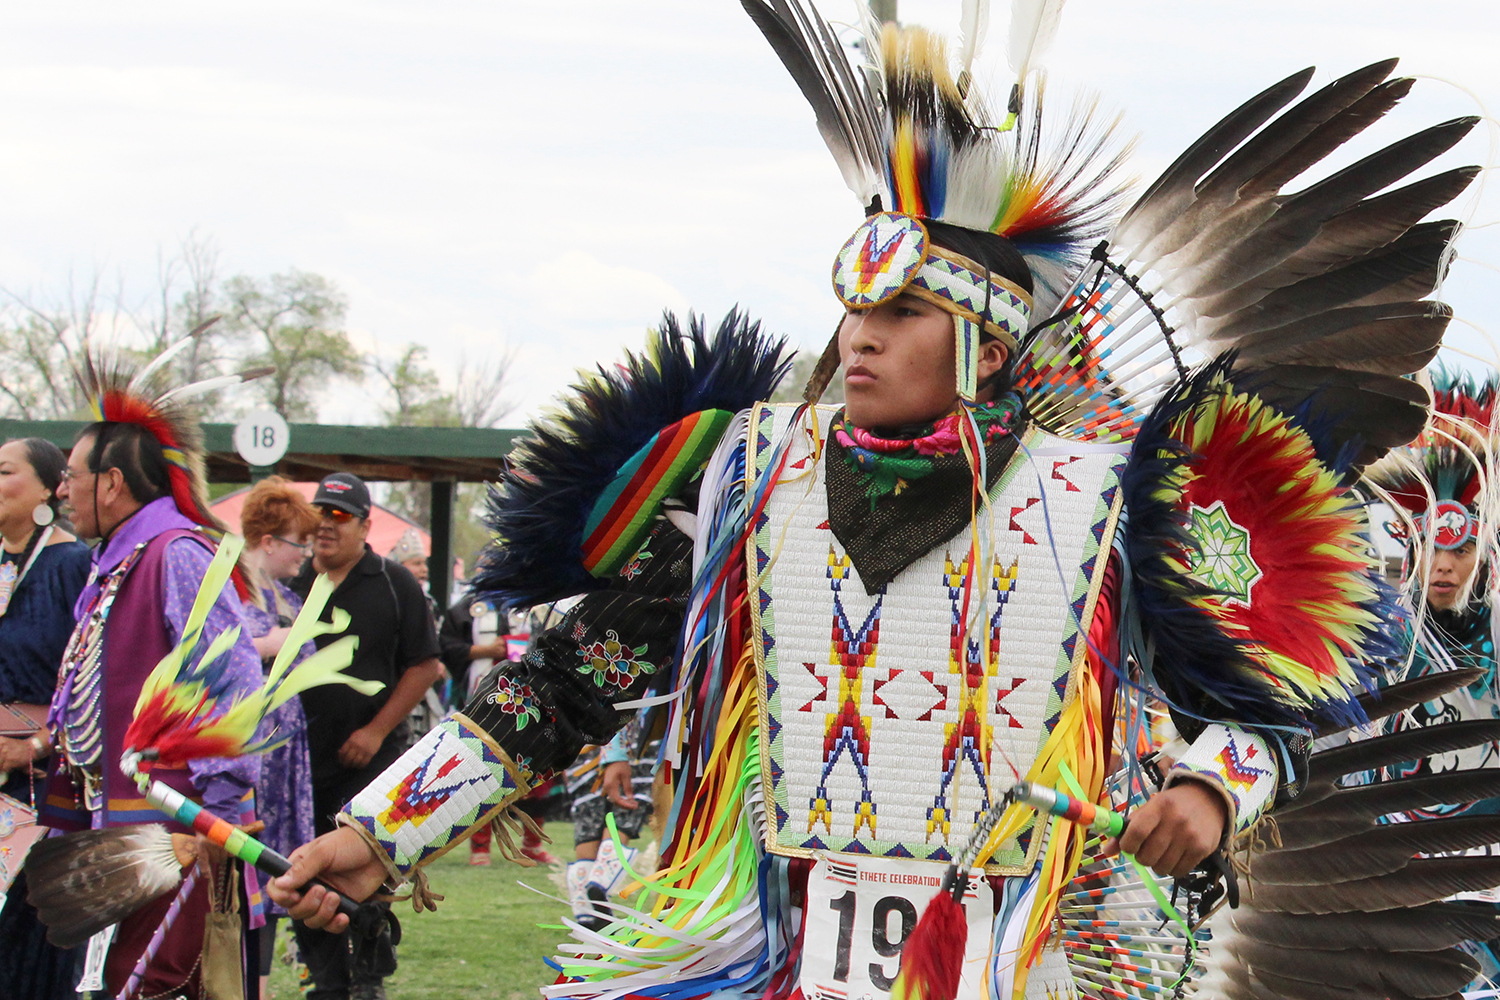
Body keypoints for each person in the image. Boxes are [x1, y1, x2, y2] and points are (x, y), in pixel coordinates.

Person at [271, 7, 1484, 999]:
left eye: (901, 316)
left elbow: (1279, 709)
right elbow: (564, 683)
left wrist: (1213, 790)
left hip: (1021, 954)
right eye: (852, 310)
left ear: (991, 347)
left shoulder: (1109, 496)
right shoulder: (747, 481)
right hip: (770, 951)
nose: (858, 339)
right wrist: (382, 833)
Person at [37, 351, 265, 999]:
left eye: (72, 476)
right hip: (125, 829)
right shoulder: (120, 563)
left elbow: (233, 688)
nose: (62, 489)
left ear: (111, 483)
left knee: (148, 986)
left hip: (178, 832)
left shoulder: (178, 556)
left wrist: (214, 822)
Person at [289, 472, 444, 1000]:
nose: (325, 526)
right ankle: (326, 981)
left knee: (368, 867)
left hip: (372, 760)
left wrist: (377, 732)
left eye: (339, 516)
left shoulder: (394, 582)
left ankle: (369, 976)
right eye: (319, 515)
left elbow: (426, 666)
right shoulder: (289, 583)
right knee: (303, 868)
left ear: (365, 525)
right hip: (299, 762)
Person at [0, 437, 91, 1000]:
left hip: (47, 787)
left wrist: (40, 742)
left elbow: (101, 680)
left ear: (48, 489)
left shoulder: (75, 566)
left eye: (4, 470)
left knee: (31, 943)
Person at [238, 475, 322, 1000]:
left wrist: (284, 643)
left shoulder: (288, 596)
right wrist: (277, 642)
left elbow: (309, 658)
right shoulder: (226, 589)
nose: (305, 554)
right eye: (297, 544)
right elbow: (225, 648)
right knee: (243, 863)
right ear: (268, 542)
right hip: (245, 754)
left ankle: (261, 984)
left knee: (275, 869)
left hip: (285, 750)